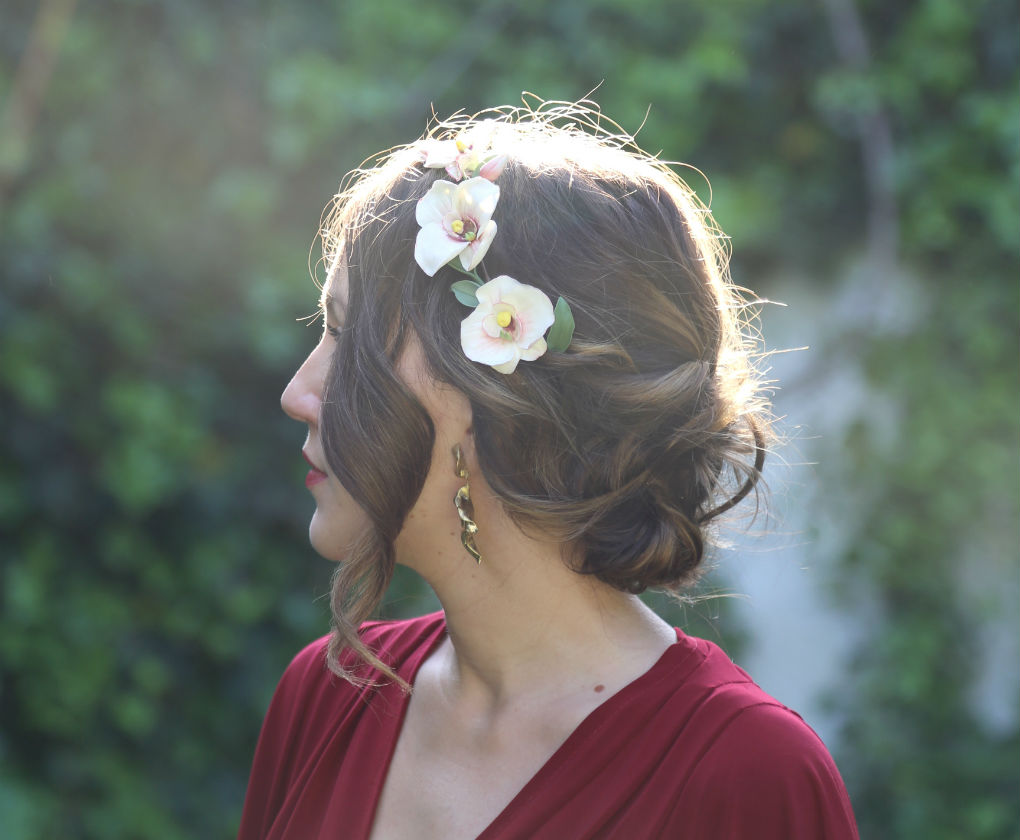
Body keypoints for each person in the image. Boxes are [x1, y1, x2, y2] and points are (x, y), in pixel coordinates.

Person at [238, 104, 859, 840]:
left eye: (347, 339)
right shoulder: (326, 698)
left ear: (490, 388)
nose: (297, 394)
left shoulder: (742, 777)